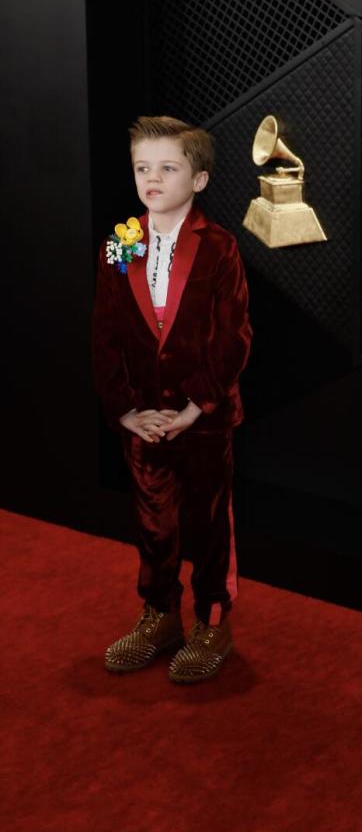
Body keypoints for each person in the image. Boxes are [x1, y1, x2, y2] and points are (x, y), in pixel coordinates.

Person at [93, 116, 252, 683]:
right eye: (142, 168)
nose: (152, 179)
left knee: (209, 526)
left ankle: (212, 622)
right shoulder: (121, 242)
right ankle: (159, 614)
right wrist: (126, 411)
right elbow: (106, 333)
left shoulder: (220, 249)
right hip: (144, 422)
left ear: (200, 179)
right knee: (153, 525)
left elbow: (233, 338)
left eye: (167, 167)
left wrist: (194, 407)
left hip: (200, 420)